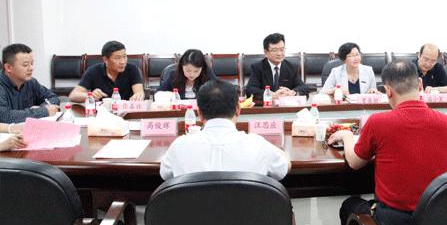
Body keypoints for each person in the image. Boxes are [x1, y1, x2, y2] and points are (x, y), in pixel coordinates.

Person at [328, 61, 447, 225]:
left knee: (350, 205)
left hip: (395, 223)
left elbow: (355, 163)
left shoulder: (378, 122)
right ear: (420, 85)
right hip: (439, 220)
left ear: (388, 91)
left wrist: (347, 136)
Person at [160, 80, 290, 180]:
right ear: (238, 110)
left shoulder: (179, 146)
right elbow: (283, 168)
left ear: (199, 113)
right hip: (245, 209)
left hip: (193, 209)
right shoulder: (258, 145)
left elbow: (165, 174)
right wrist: (276, 149)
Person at [0, 43, 60, 123]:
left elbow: (53, 98)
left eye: (32, 63)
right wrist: (42, 111)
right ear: (8, 67)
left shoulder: (31, 82)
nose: (31, 68)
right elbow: (4, 116)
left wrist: (43, 107)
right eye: (25, 65)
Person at [69, 41, 145, 103]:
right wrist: (90, 95)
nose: (122, 62)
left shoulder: (132, 69)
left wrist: (138, 95)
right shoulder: (93, 71)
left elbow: (139, 92)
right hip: (101, 112)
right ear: (105, 60)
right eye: (117, 58)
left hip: (126, 111)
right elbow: (73, 96)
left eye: (124, 56)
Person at [244, 33, 309, 101]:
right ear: (266, 52)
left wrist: (292, 92)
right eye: (275, 50)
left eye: (282, 49)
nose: (279, 53)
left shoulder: (292, 67)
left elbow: (303, 87)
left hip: (285, 105)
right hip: (266, 105)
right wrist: (271, 95)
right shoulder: (257, 67)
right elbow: (250, 90)